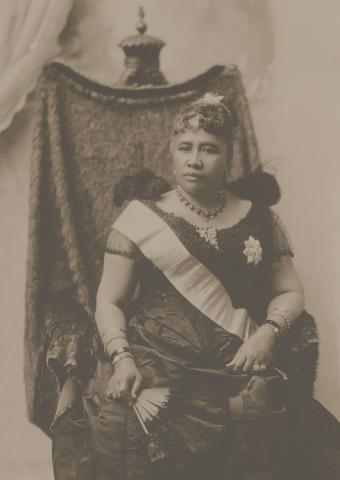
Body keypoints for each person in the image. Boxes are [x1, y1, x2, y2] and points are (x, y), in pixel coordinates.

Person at [53, 92, 339, 480]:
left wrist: (268, 334)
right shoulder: (141, 218)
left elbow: (290, 291)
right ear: (170, 151)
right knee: (120, 421)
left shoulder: (258, 217)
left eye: (209, 149)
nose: (194, 160)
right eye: (184, 147)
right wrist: (122, 359)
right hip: (156, 359)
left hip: (236, 359)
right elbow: (110, 299)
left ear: (227, 157)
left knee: (276, 423)